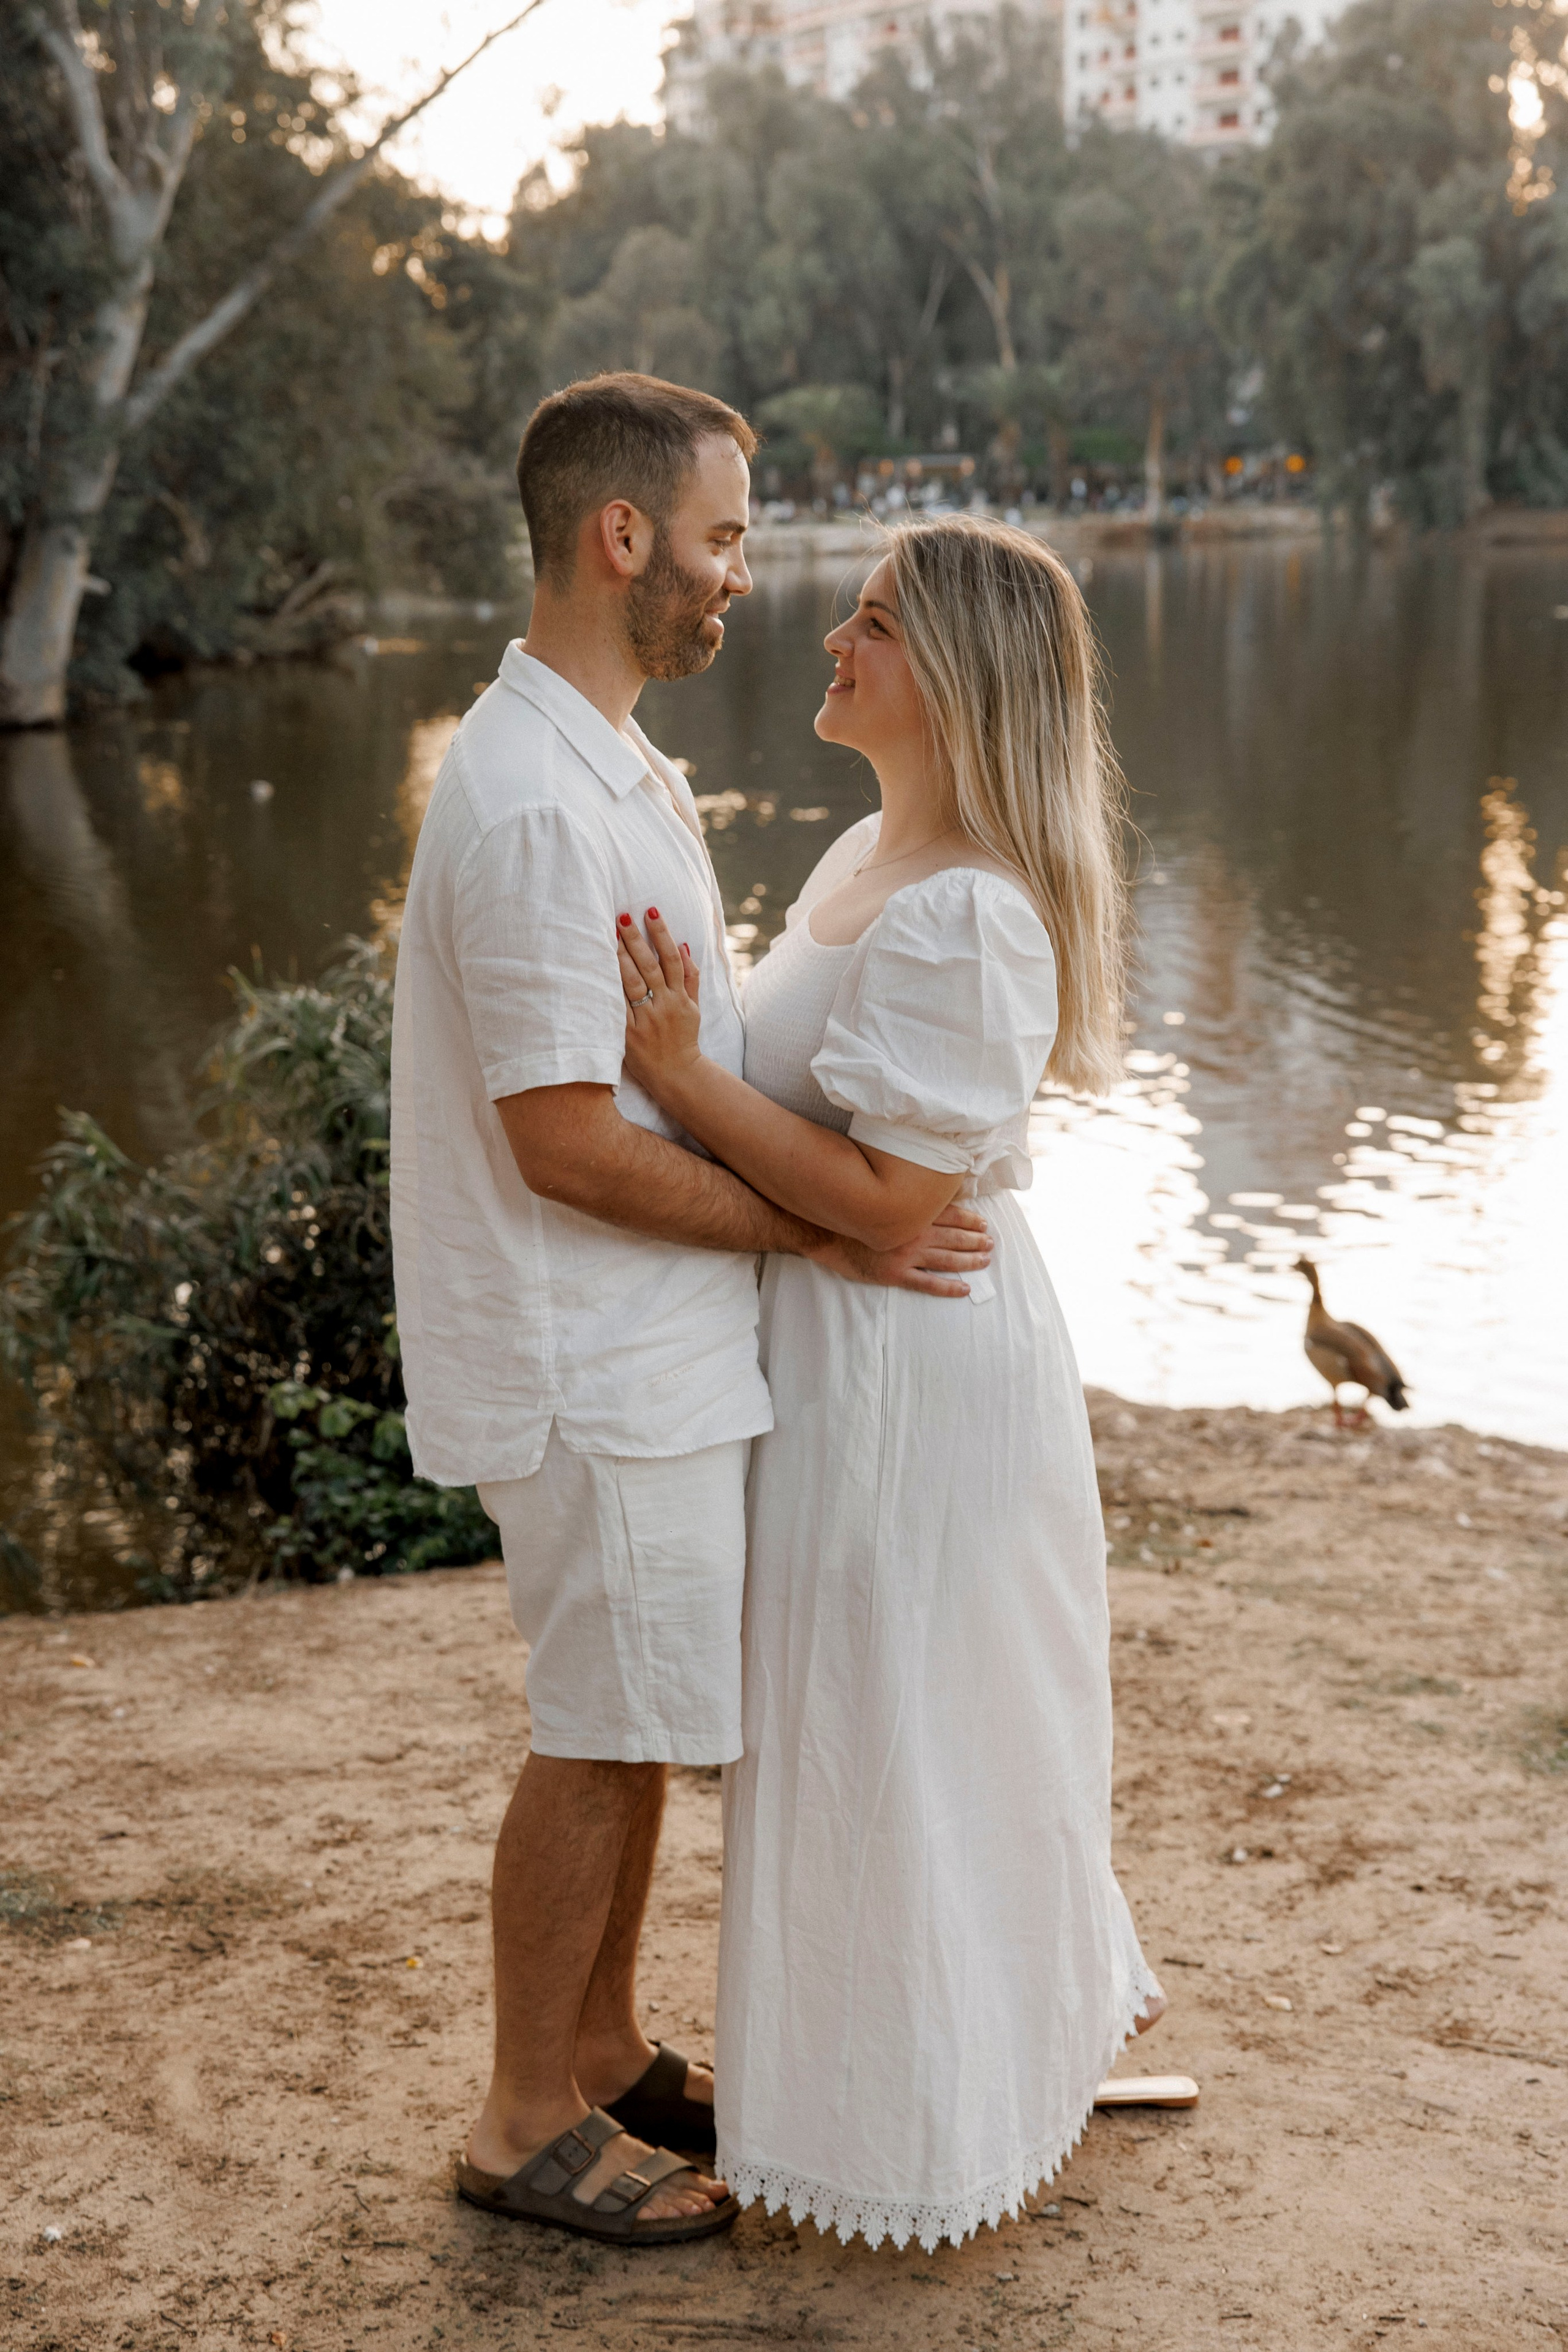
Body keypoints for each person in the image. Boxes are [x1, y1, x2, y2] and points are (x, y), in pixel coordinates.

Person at [388, 374, 993, 2247]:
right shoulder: (525, 807)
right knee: (598, 1724)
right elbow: (566, 1144)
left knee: (643, 1711)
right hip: (591, 1355)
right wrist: (813, 1235)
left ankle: (602, 2052)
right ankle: (515, 2121)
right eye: (724, 537)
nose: (743, 575)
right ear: (621, 537)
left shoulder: (608, 756)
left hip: (654, 1346)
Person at [613, 513, 1165, 2253]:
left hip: (920, 1373)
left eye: (870, 625)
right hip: (843, 1353)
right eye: (848, 615)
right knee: (863, 1720)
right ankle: (914, 2082)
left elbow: (884, 1203)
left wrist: (673, 1072)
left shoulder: (977, 918)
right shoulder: (864, 849)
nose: (830, 642)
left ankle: (932, 2119)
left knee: (908, 1723)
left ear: (960, 682)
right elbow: (842, 1173)